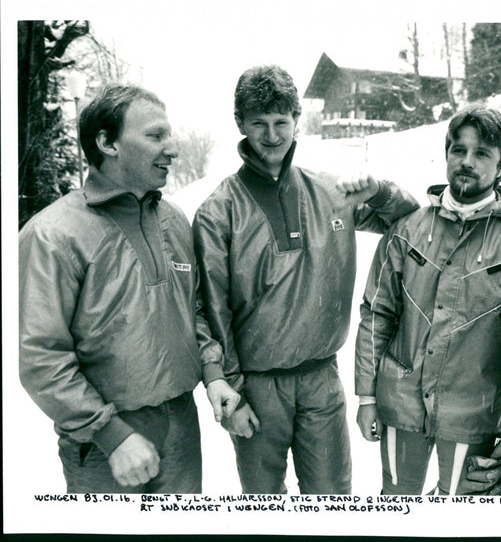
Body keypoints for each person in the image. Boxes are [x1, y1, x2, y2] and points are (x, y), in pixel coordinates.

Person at [192, 64, 419, 494]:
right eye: (259, 123)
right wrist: (232, 390)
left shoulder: (332, 191)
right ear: (240, 124)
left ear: (298, 120)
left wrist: (378, 190)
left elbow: (406, 219)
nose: (272, 135)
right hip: (257, 388)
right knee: (263, 508)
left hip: (322, 380)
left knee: (332, 499)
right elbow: (210, 307)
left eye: (282, 122)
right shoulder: (218, 210)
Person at [18, 83, 240, 493]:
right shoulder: (53, 235)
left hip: (181, 430)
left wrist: (214, 375)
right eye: (156, 136)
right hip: (106, 445)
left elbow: (192, 311)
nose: (172, 149)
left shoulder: (174, 220)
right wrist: (111, 435)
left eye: (168, 135)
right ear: (107, 142)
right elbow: (41, 358)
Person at [354, 106, 501, 495]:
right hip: (401, 402)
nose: (467, 162)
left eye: (482, 153)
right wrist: (367, 396)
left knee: (460, 516)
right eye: (458, 150)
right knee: (398, 505)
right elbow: (376, 314)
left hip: (474, 409)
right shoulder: (408, 227)